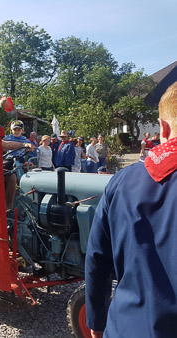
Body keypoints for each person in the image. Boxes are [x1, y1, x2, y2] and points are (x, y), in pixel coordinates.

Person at [85, 81, 177, 337]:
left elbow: (97, 258)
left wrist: (96, 317)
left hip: (129, 326)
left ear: (164, 128)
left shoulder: (123, 181)